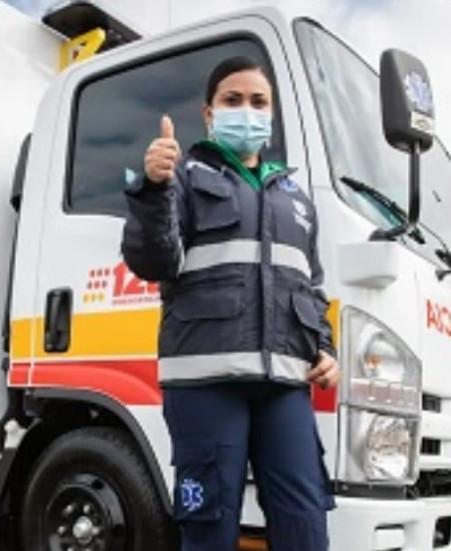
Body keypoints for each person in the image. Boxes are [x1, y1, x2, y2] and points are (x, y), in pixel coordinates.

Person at [122, 56, 340, 551]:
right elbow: (151, 259)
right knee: (208, 528)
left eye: (258, 102)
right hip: (205, 383)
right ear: (209, 113)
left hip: (285, 385)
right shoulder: (183, 178)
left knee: (305, 521)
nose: (247, 110)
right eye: (233, 100)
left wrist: (323, 349)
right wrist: (154, 190)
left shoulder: (297, 200)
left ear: (272, 114)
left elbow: (311, 287)